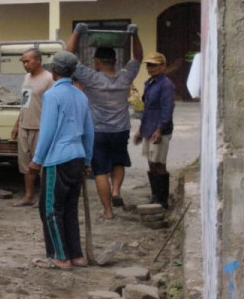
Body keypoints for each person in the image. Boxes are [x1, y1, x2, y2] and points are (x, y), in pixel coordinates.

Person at [67, 23, 143, 219]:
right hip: (121, 130)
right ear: (115, 61)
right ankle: (116, 191)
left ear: (97, 62)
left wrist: (76, 33)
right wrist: (135, 36)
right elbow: (138, 58)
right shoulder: (125, 77)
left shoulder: (92, 78)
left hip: (98, 131)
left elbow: (68, 57)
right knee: (118, 161)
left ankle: (108, 211)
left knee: (100, 170)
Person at [29, 51, 94, 270]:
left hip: (57, 159)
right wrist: (87, 160)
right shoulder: (80, 95)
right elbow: (89, 131)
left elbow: (47, 131)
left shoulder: (52, 95)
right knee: (70, 208)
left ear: (55, 71)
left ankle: (59, 255)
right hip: (77, 156)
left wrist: (37, 159)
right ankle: (76, 255)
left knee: (50, 209)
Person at [9, 48, 55, 207]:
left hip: (40, 128)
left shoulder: (49, 79)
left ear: (38, 60)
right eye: (23, 61)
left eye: (27, 61)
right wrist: (17, 124)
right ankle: (29, 196)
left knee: (41, 164)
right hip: (24, 127)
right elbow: (25, 103)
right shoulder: (26, 78)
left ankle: (44, 197)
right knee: (25, 164)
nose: (25, 64)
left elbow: (53, 106)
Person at [134, 51, 175, 207]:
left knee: (159, 163)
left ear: (163, 66)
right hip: (148, 128)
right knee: (151, 162)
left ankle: (162, 200)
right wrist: (140, 130)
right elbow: (146, 109)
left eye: (154, 65)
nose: (150, 68)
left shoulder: (166, 85)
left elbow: (167, 109)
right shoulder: (149, 83)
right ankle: (155, 195)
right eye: (149, 65)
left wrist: (160, 129)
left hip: (160, 129)